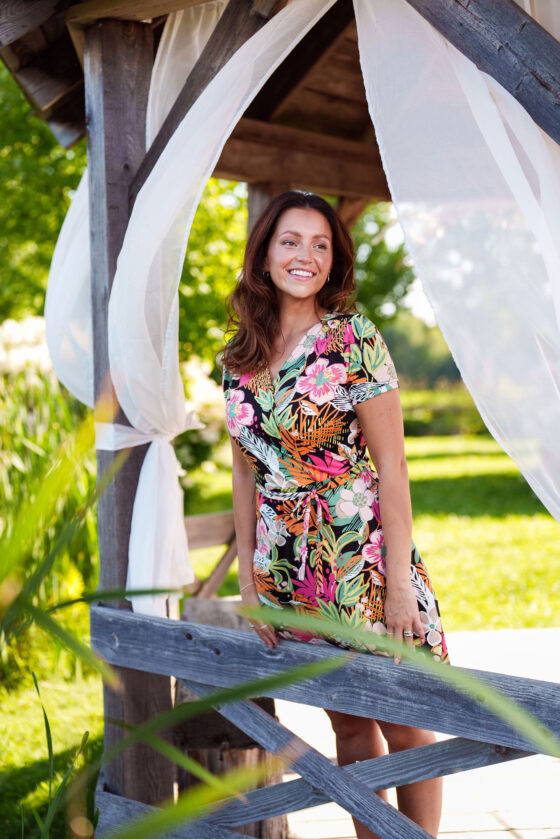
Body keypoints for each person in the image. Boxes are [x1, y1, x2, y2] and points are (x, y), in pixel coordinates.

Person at [221, 190, 448, 839]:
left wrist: (400, 583)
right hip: (287, 570)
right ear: (265, 253)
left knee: (402, 718)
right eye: (291, 240)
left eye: (321, 244)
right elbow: (245, 472)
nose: (306, 255)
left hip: (361, 563)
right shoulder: (238, 356)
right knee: (346, 721)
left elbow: (393, 468)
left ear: (333, 261)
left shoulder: (354, 339)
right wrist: (248, 580)